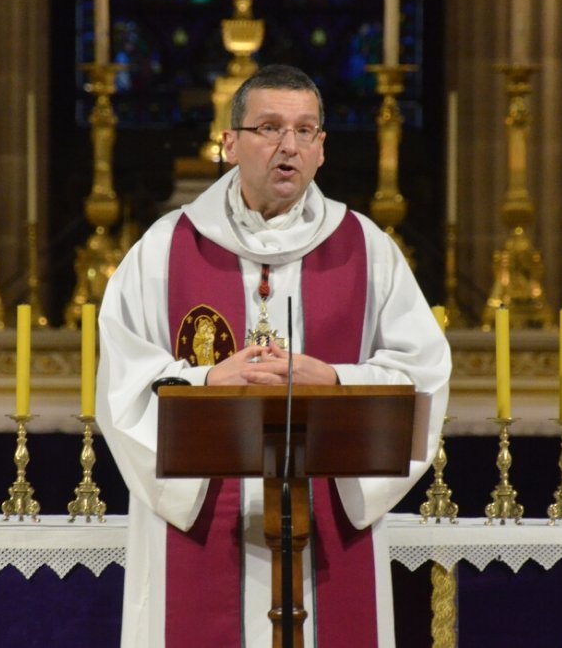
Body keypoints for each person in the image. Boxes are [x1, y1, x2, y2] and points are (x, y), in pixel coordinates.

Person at [96, 64, 451, 647]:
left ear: (322, 149)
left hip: (328, 519)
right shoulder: (163, 249)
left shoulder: (368, 248)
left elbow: (423, 375)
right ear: (230, 143)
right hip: (205, 521)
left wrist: (334, 379)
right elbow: (123, 383)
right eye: (269, 128)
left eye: (305, 131)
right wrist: (209, 380)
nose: (288, 146)